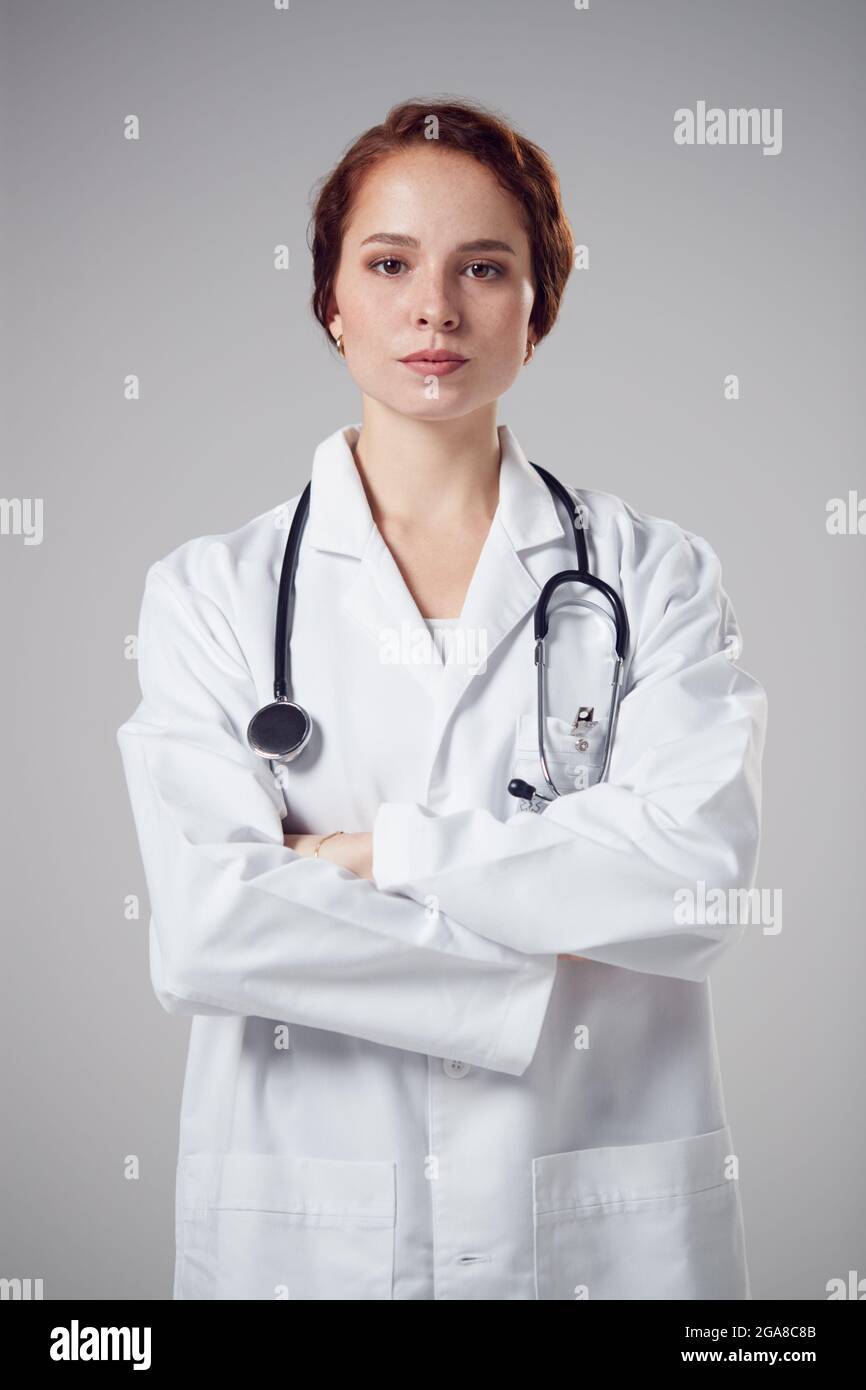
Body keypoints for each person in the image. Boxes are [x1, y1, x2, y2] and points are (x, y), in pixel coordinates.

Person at [116, 97, 768, 1301]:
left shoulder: (652, 575)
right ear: (331, 301)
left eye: (484, 265)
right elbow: (210, 929)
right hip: (309, 1226)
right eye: (388, 264)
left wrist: (374, 856)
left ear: (538, 307)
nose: (434, 308)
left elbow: (694, 877)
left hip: (595, 1218)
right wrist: (544, 944)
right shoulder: (210, 593)